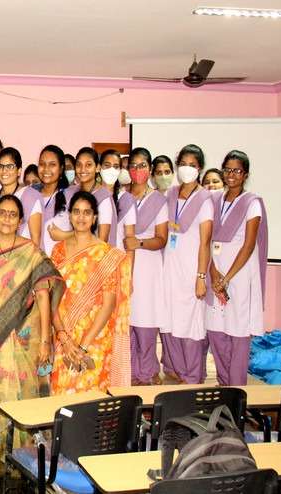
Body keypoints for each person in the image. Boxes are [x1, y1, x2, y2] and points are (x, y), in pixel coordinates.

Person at [0, 195, 56, 485]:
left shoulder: (30, 251)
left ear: (21, 220)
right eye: (2, 214)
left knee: (16, 400)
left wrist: (44, 340)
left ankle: (18, 468)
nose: (7, 218)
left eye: (12, 215)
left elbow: (43, 294)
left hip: (20, 338)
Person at [50, 192, 131, 394]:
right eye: (76, 212)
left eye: (87, 212)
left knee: (90, 399)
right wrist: (65, 339)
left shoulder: (106, 253)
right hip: (64, 334)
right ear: (70, 216)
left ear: (95, 217)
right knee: (61, 393)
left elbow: (108, 304)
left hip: (95, 338)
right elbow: (51, 297)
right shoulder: (58, 250)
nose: (81, 217)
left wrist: (83, 346)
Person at [206, 150, 267, 386]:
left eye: (237, 171)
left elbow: (249, 245)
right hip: (216, 269)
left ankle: (236, 388)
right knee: (216, 331)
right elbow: (208, 240)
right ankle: (223, 384)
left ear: (245, 175)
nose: (231, 175)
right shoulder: (214, 200)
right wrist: (213, 273)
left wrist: (227, 278)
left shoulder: (252, 203)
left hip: (239, 274)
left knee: (238, 332)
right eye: (228, 170)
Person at [163, 144, 213, 384]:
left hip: (192, 270)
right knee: (170, 319)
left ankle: (193, 374)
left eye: (192, 165)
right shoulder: (170, 194)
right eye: (183, 164)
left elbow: (205, 242)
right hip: (169, 268)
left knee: (191, 323)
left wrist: (201, 276)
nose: (187, 169)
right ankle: (175, 368)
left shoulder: (205, 199)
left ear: (199, 168)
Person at [122, 148, 169, 386]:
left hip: (148, 268)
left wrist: (139, 242)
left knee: (145, 323)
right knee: (126, 323)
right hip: (123, 265)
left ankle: (147, 374)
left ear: (149, 169)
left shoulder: (158, 201)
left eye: (142, 165)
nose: (137, 170)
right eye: (133, 165)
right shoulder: (121, 196)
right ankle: (127, 374)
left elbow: (161, 238)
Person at [0, 147, 43, 247]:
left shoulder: (31, 196)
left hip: (24, 258)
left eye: (10, 166)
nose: (4, 170)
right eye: (0, 166)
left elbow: (36, 240)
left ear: (19, 171)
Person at [74, 147, 116, 245]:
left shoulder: (103, 197)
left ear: (97, 168)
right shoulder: (72, 192)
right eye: (79, 165)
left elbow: (102, 240)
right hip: (73, 252)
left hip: (95, 255)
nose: (82, 169)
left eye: (88, 165)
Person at [40, 145, 75, 257]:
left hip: (62, 266)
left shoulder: (70, 195)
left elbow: (88, 233)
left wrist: (64, 235)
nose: (46, 169)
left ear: (61, 169)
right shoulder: (31, 195)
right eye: (42, 164)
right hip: (34, 265)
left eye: (52, 164)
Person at [100, 149, 136, 251]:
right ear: (99, 167)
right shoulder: (92, 196)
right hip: (91, 258)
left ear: (120, 170)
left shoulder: (126, 199)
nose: (111, 170)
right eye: (107, 165)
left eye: (116, 167)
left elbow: (130, 239)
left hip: (117, 259)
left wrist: (129, 266)